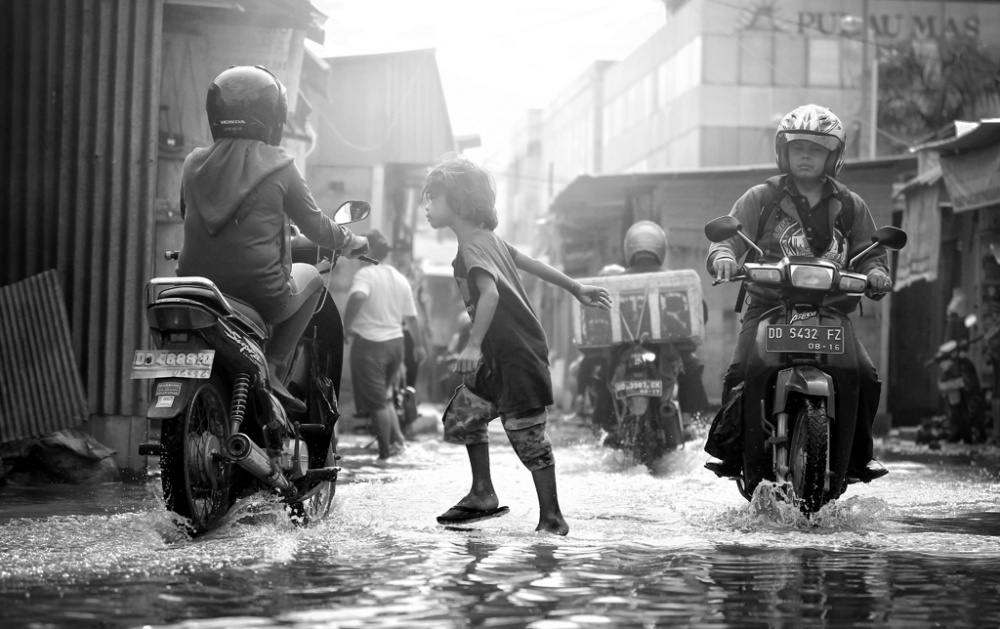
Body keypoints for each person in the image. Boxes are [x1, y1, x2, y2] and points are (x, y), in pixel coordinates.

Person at [422, 157, 611, 535]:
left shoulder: (474, 247)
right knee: (465, 413)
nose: (426, 207)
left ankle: (553, 519)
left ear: (457, 202)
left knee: (527, 434)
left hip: (516, 354)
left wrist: (472, 346)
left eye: (433, 199)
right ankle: (482, 492)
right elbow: (532, 263)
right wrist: (576, 288)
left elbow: (489, 295)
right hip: (499, 355)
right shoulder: (489, 241)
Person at [705, 103, 892, 482]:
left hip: (832, 310)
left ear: (833, 156)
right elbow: (726, 243)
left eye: (816, 149)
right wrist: (724, 257)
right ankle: (730, 449)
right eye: (798, 148)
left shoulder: (851, 205)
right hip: (768, 306)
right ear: (783, 152)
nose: (805, 156)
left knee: (866, 375)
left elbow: (872, 254)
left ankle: (859, 457)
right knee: (741, 370)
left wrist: (875, 274)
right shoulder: (761, 197)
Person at [176, 65, 368, 413]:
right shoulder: (281, 165)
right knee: (313, 281)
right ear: (272, 116)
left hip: (196, 286)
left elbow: (186, 212)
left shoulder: (193, 163)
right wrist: (351, 240)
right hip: (260, 292)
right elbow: (318, 228)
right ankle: (276, 366)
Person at [343, 230, 427, 459]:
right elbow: (411, 318)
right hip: (396, 345)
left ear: (365, 252)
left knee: (377, 403)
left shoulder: (367, 275)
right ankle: (398, 441)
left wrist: (345, 325)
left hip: (371, 346)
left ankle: (384, 454)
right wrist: (419, 346)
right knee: (386, 396)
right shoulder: (399, 278)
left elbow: (359, 297)